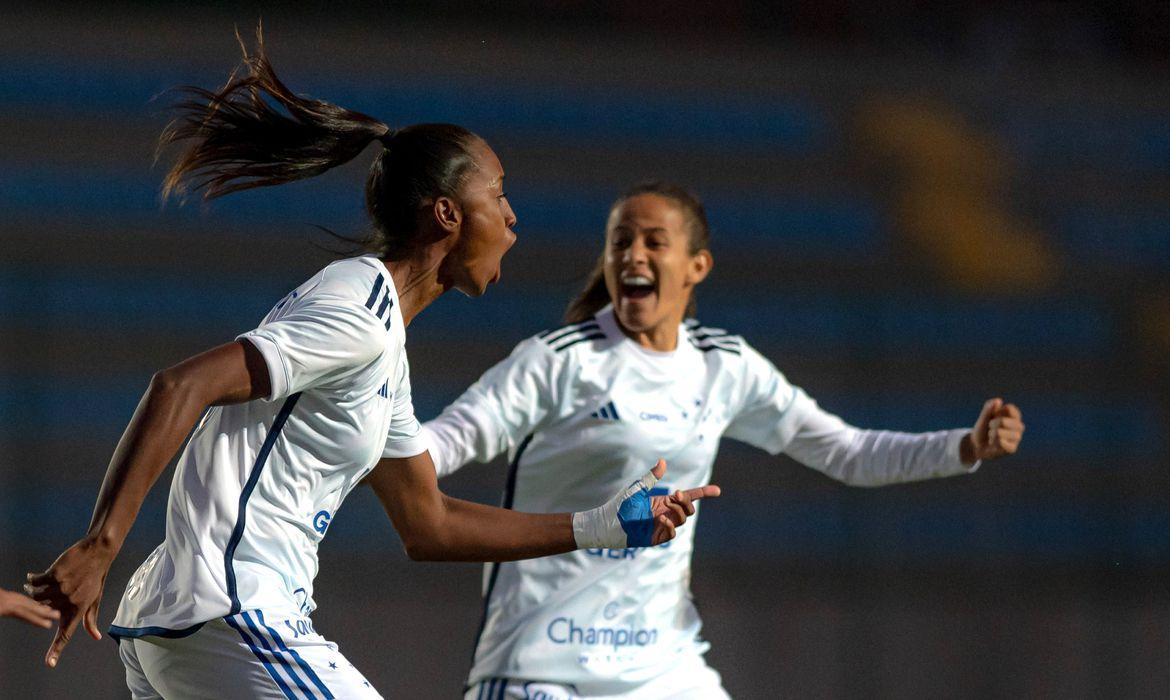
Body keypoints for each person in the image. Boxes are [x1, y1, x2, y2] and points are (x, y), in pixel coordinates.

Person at [24, 37, 716, 700]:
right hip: (234, 613)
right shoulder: (358, 314)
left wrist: (600, 524)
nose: (512, 219)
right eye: (498, 195)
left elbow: (430, 522)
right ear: (448, 214)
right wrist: (101, 542)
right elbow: (182, 383)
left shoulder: (381, 335)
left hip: (192, 625)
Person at [424, 181, 1027, 699]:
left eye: (653, 241)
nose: (633, 254)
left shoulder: (725, 366)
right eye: (620, 241)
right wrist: (367, 432)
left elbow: (848, 452)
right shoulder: (559, 361)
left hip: (662, 667)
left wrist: (963, 447)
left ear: (696, 267)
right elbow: (445, 442)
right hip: (542, 669)